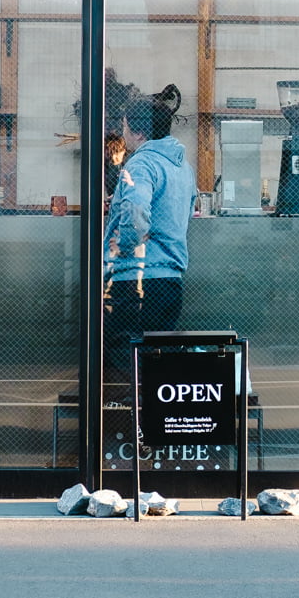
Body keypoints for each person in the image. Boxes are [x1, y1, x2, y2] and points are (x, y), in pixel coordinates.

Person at [102, 86, 191, 396]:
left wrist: (124, 244)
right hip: (170, 279)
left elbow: (138, 213)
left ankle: (126, 434)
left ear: (138, 132)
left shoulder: (140, 164)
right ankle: (155, 432)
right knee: (156, 366)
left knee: (125, 365)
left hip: (136, 279)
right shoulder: (181, 166)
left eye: (125, 126)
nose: (122, 133)